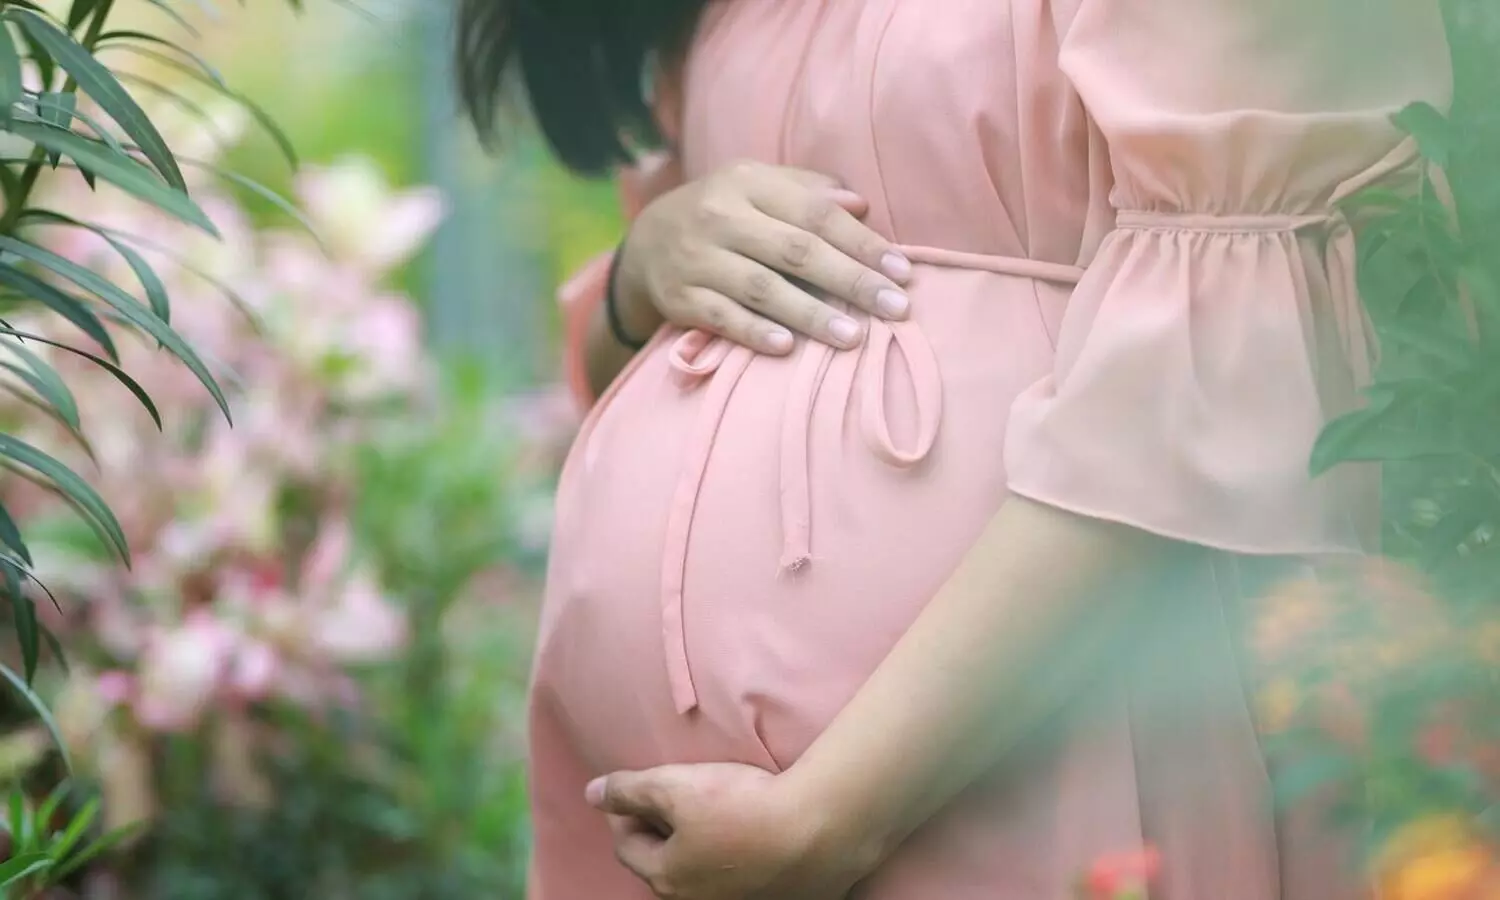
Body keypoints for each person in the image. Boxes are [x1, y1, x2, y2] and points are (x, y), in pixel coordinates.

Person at [455, 1, 1452, 897]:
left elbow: (1225, 389)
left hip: (1038, 749)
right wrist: (644, 265)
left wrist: (827, 819)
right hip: (683, 844)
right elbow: (628, 366)